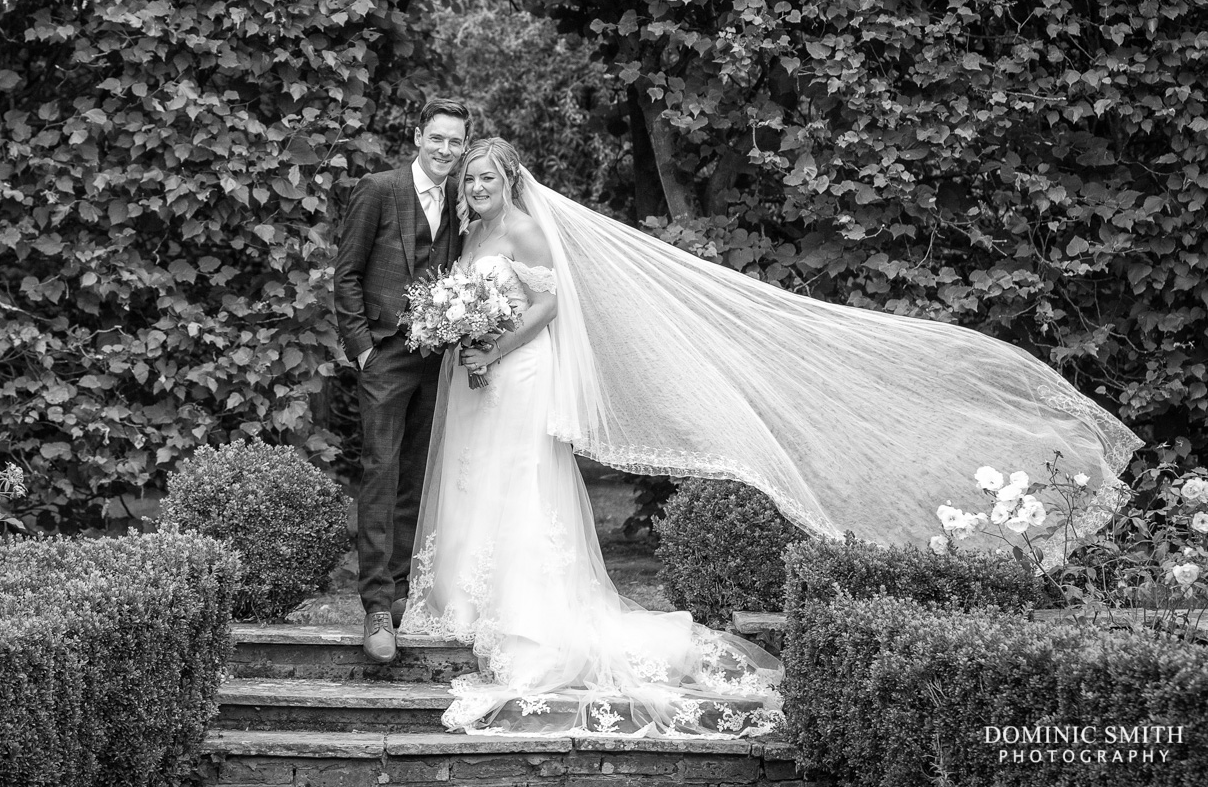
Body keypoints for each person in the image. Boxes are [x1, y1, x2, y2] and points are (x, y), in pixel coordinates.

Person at [401, 138, 1142, 737]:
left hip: (516, 373)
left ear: (511, 179)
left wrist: (492, 347)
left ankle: (527, 613)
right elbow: (485, 299)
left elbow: (551, 307)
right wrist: (463, 331)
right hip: (481, 380)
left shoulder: (526, 227)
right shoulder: (472, 233)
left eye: (486, 178)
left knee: (520, 480)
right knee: (477, 477)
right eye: (469, 180)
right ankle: (464, 600)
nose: (476, 189)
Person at [333, 99, 468, 663]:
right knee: (380, 473)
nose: (444, 150)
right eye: (436, 138)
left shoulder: (464, 202)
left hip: (435, 360)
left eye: (455, 143)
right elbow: (346, 275)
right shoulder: (378, 188)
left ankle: (403, 595)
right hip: (383, 357)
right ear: (418, 136)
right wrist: (363, 350)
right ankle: (375, 607)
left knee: (415, 478)